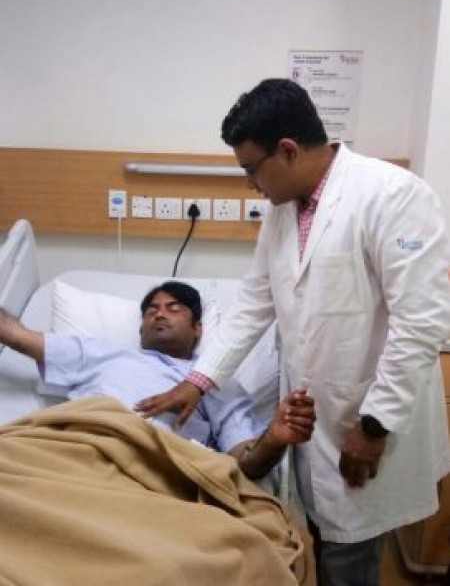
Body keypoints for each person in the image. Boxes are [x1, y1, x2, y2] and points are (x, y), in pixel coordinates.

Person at [135, 79, 450, 586]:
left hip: (369, 417)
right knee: (323, 543)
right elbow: (253, 304)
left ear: (287, 150)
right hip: (313, 417)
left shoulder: (392, 196)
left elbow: (420, 325)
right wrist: (198, 380)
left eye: (250, 168)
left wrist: (374, 427)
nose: (249, 184)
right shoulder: (283, 212)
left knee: (349, 561)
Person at [0, 280, 315, 480]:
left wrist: (273, 440)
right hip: (76, 450)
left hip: (156, 471)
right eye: (151, 310)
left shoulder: (216, 382)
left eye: (173, 308)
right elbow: (16, 335)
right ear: (140, 328)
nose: (159, 314)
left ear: (198, 328)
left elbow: (244, 463)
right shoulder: (99, 352)